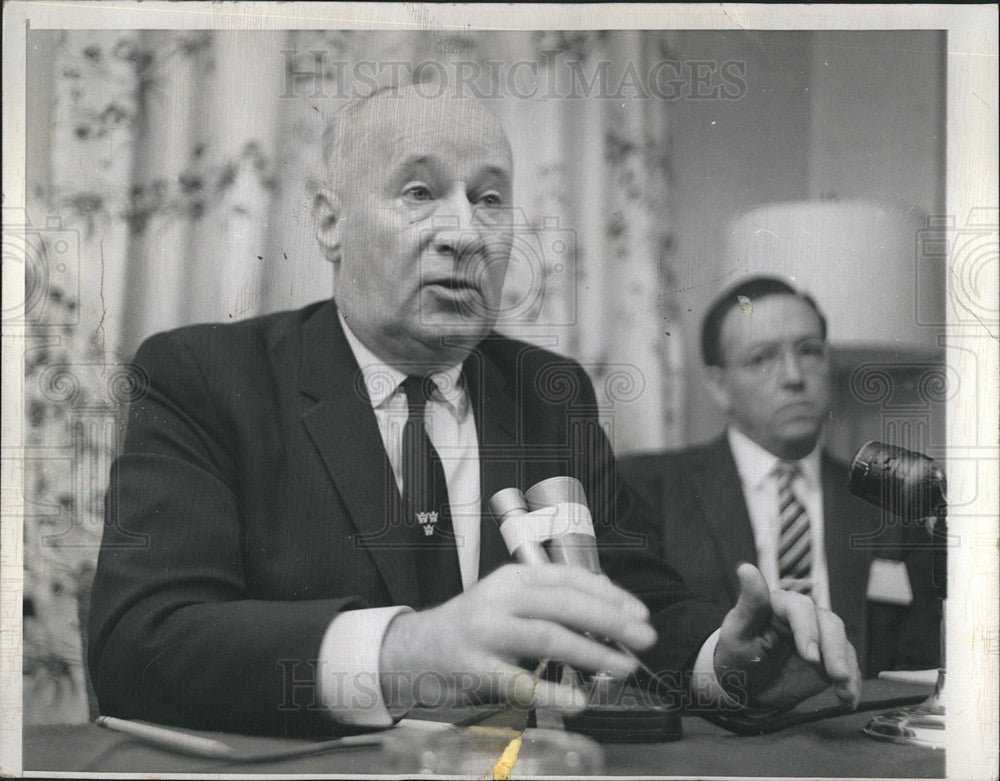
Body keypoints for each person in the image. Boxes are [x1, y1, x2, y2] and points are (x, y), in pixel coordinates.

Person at [88, 88, 861, 737]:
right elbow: (138, 646)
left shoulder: (549, 391)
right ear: (330, 222)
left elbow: (633, 608)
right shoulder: (202, 377)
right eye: (420, 192)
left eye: (489, 199)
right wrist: (408, 652)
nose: (464, 233)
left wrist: (725, 662)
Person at [620, 277, 940, 676]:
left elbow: (923, 661)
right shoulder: (646, 488)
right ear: (719, 387)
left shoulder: (889, 499)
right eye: (762, 359)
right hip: (722, 728)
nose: (793, 376)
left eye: (809, 352)